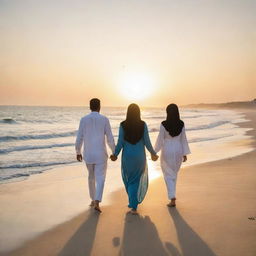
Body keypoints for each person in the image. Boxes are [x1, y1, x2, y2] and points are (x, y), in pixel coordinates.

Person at [110, 104, 158, 215]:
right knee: (135, 180)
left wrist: (115, 154)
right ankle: (133, 204)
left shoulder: (123, 125)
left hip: (127, 157)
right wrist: (153, 153)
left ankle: (133, 204)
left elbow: (120, 142)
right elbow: (147, 142)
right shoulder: (143, 125)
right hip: (139, 157)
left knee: (129, 180)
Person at [75, 98, 115, 213]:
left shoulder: (83, 120)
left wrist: (78, 151)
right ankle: (97, 200)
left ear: (90, 107)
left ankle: (93, 200)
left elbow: (79, 137)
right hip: (101, 154)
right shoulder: (104, 119)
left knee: (91, 177)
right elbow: (110, 138)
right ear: (99, 107)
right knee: (101, 178)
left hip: (88, 154)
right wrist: (114, 151)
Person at [154, 104, 190, 207]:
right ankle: (172, 196)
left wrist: (154, 152)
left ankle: (172, 197)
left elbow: (160, 140)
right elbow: (184, 139)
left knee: (168, 174)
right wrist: (184, 153)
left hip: (167, 150)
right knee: (174, 173)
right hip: (178, 149)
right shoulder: (181, 124)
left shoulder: (163, 124)